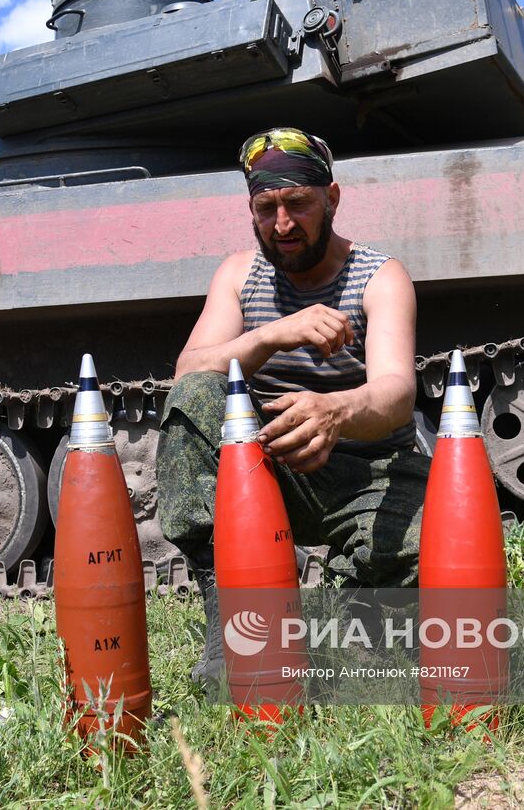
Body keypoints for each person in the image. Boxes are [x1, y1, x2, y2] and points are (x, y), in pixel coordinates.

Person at [155, 126, 431, 687]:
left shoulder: (379, 277)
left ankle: (351, 592)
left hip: (367, 474)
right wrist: (273, 336)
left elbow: (397, 394)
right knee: (196, 396)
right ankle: (229, 627)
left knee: (430, 561)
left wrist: (336, 412)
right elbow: (187, 371)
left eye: (298, 204)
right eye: (267, 208)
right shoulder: (239, 275)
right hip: (265, 469)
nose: (282, 225)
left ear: (331, 197)